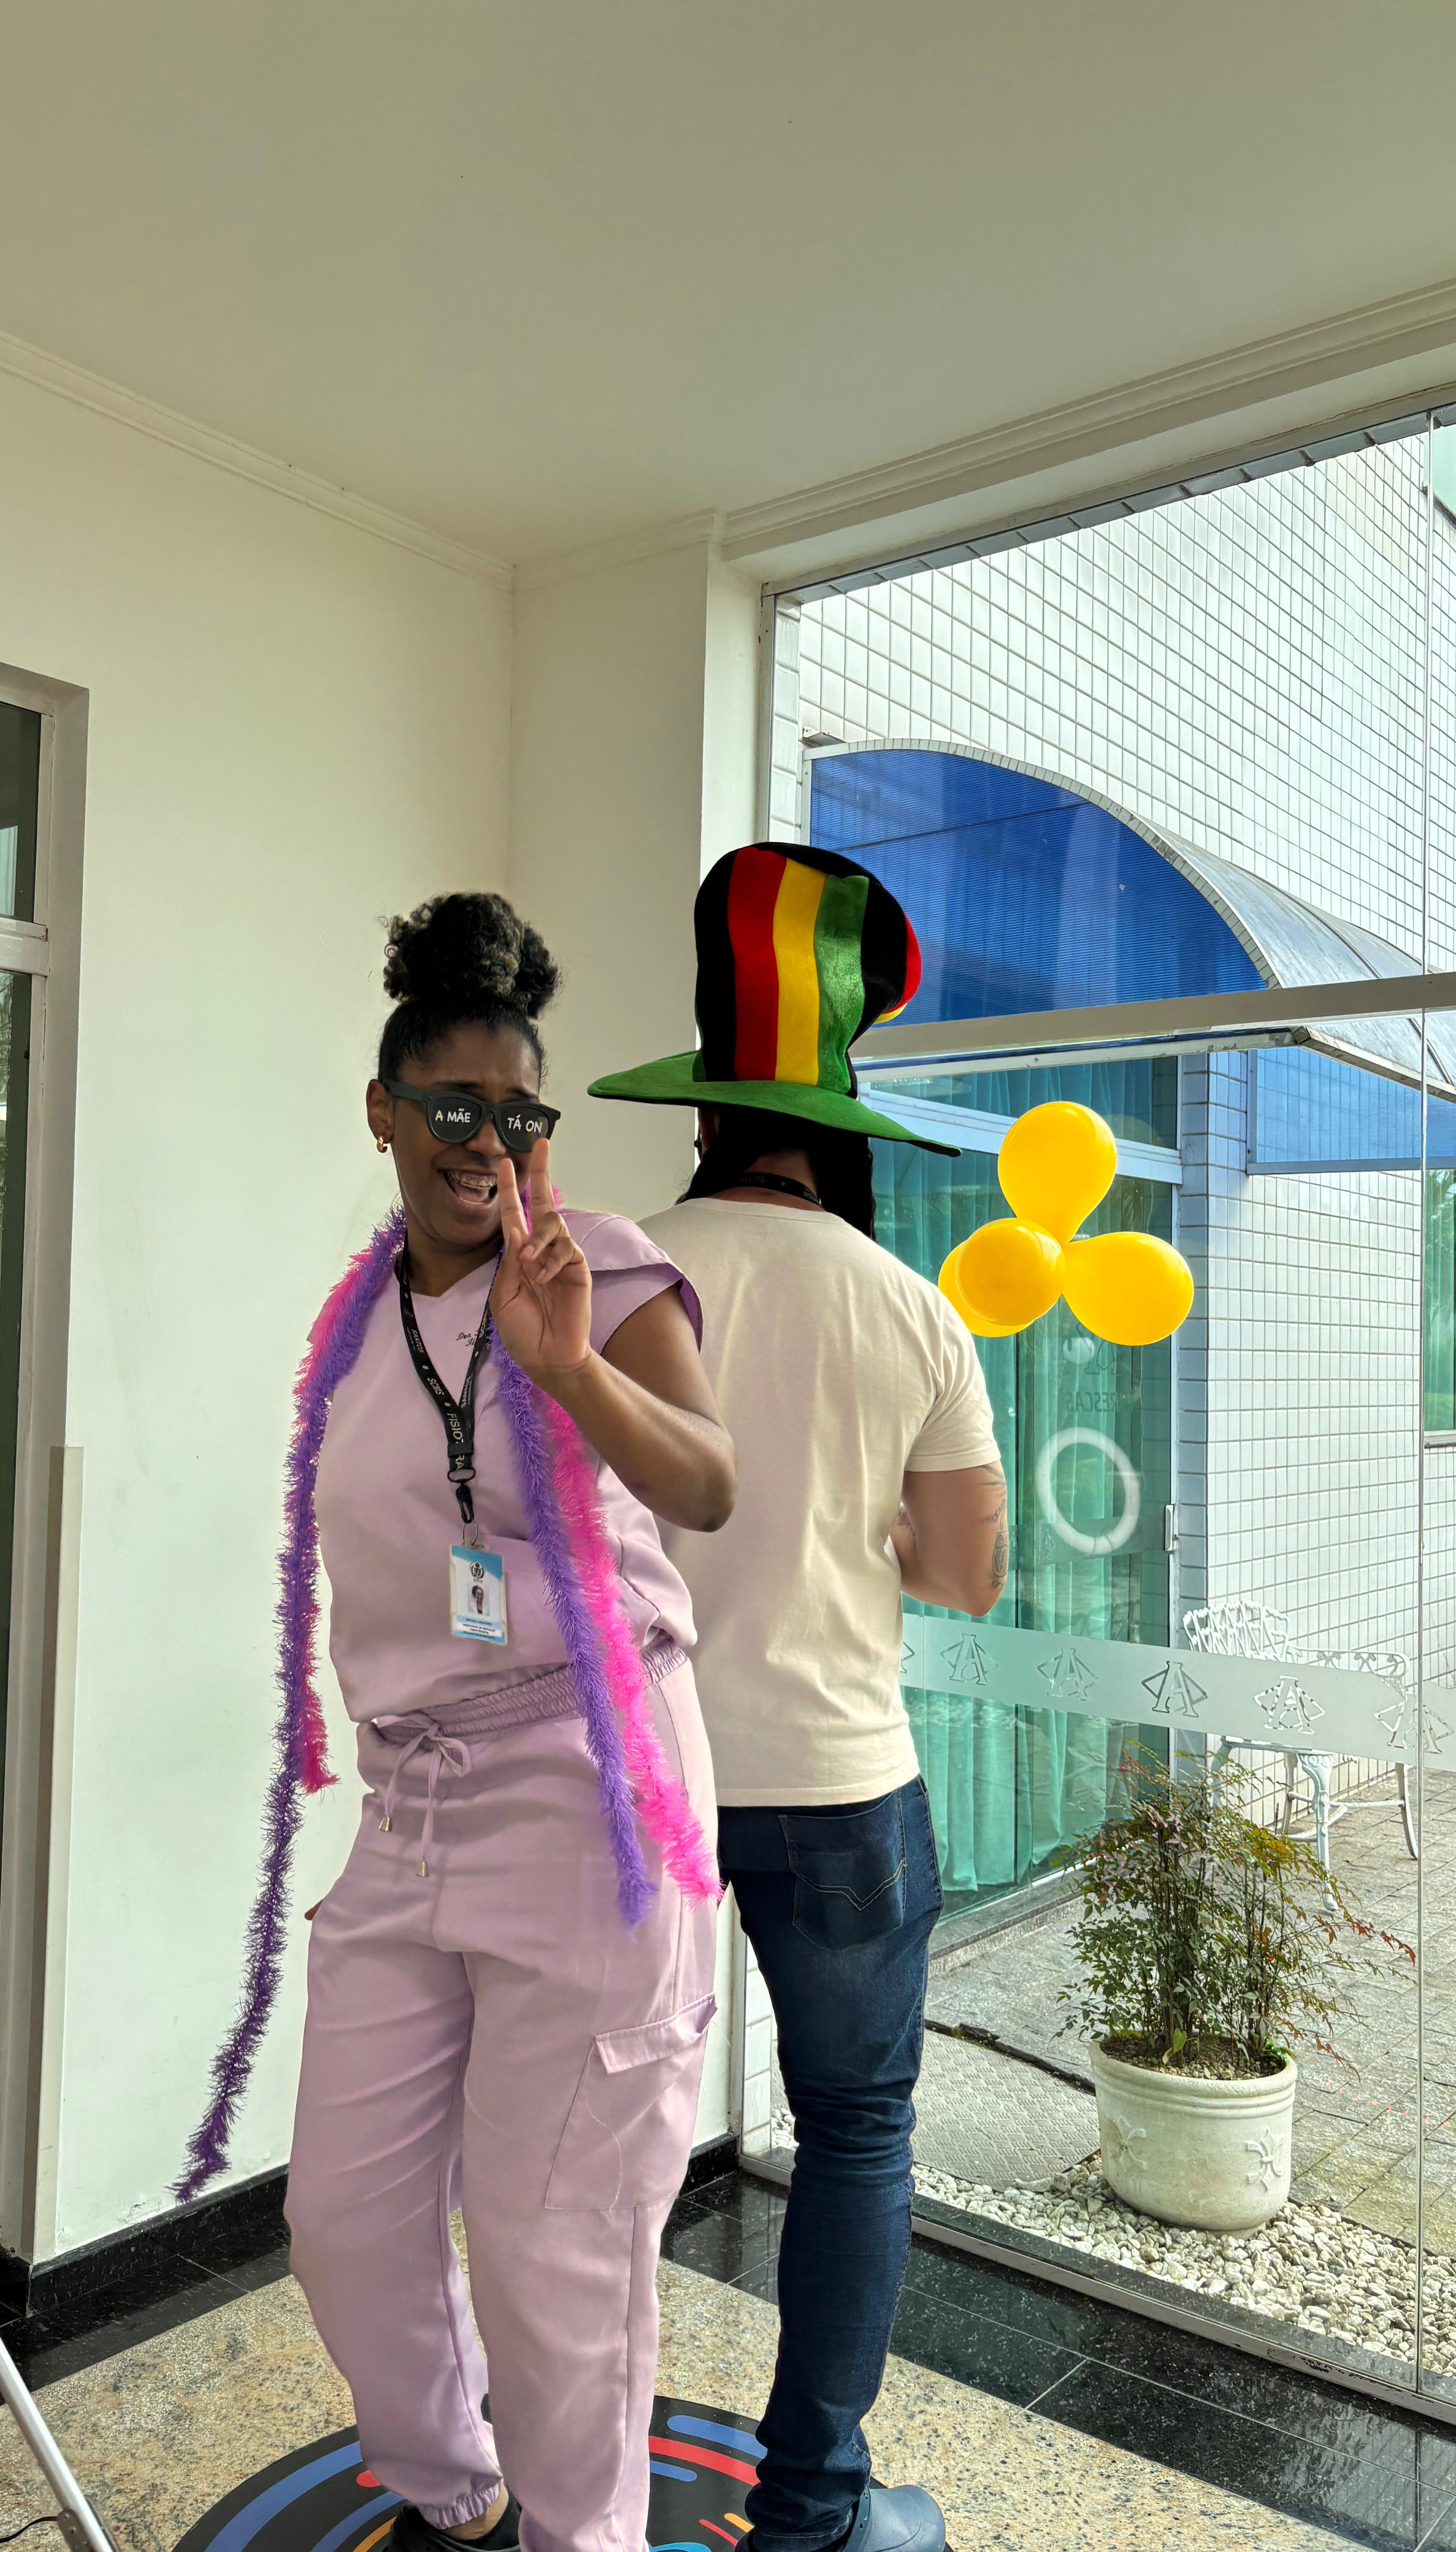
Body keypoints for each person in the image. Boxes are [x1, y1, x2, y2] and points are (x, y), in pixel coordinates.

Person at [182, 891, 735, 2552]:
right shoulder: (355, 1326)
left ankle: (581, 2537)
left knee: (556, 2253)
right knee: (345, 2221)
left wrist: (571, 1370)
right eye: (453, 1109)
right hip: (414, 1810)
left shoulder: (599, 1271)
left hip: (592, 1802)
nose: (489, 1143)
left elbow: (709, 1482)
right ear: (385, 1112)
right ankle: (455, 2491)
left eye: (520, 1115)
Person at [593, 845, 1006, 2552]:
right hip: (840, 1786)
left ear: (705, 1111)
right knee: (853, 2133)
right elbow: (966, 1574)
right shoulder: (910, 1310)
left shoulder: (613, 1273)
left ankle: (568, 2469)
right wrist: (866, 1525)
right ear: (840, 1131)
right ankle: (817, 2509)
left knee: (589, 2129)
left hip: (635, 1777)